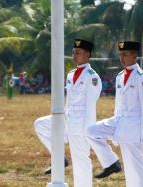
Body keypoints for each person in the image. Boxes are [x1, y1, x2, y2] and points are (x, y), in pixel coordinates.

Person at [34, 39, 105, 187]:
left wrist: (86, 129)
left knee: (81, 161)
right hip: (68, 118)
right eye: (73, 52)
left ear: (87, 55)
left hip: (81, 123)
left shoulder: (92, 76)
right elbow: (69, 101)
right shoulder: (71, 74)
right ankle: (59, 158)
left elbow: (90, 105)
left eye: (78, 53)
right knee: (40, 124)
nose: (74, 55)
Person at [85, 41, 143, 187]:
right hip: (119, 122)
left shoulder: (142, 78)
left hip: (135, 127)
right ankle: (111, 162)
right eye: (120, 54)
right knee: (91, 130)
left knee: (135, 166)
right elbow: (118, 104)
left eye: (125, 54)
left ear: (135, 55)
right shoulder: (120, 76)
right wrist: (115, 129)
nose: (122, 58)